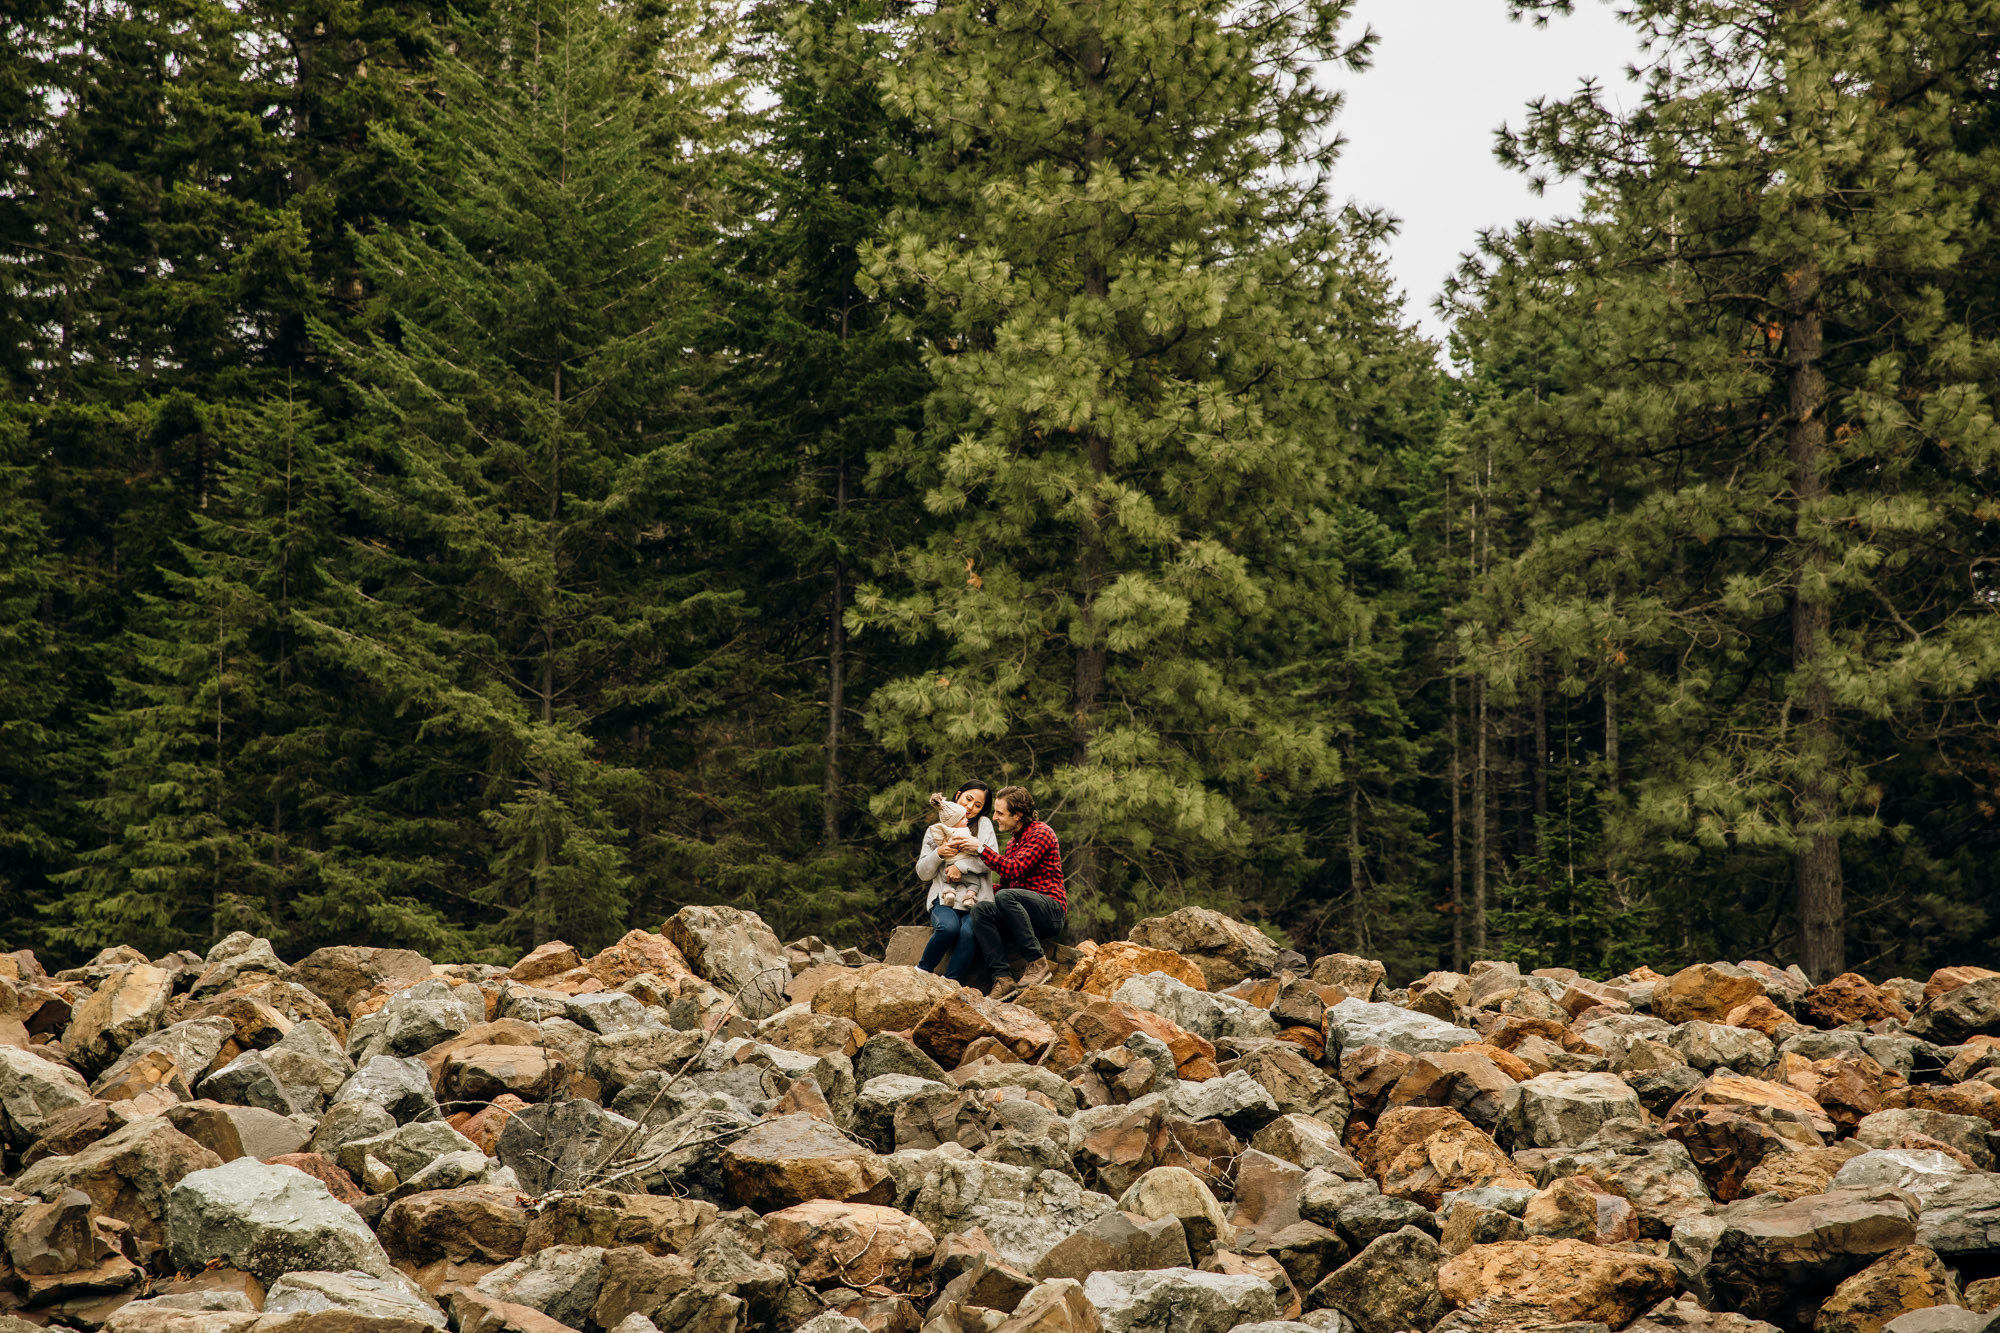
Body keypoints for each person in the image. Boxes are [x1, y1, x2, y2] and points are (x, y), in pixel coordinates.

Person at [942, 784, 1064, 1000]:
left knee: (1005, 896)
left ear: (1018, 815)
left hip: (1050, 912)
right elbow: (1005, 885)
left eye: (1000, 813)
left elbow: (1015, 869)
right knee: (982, 909)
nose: (995, 817)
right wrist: (968, 888)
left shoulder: (1041, 832)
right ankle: (1003, 979)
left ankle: (1037, 962)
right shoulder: (1013, 844)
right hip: (1020, 913)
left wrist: (980, 848)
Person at [913, 780, 997, 981]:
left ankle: (952, 983)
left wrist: (961, 866)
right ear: (958, 795)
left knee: (969, 933)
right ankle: (922, 971)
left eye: (978, 805)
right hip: (944, 898)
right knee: (949, 928)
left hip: (977, 900)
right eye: (968, 799)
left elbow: (991, 861)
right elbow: (923, 873)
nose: (970, 807)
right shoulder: (936, 831)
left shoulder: (983, 825)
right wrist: (939, 853)